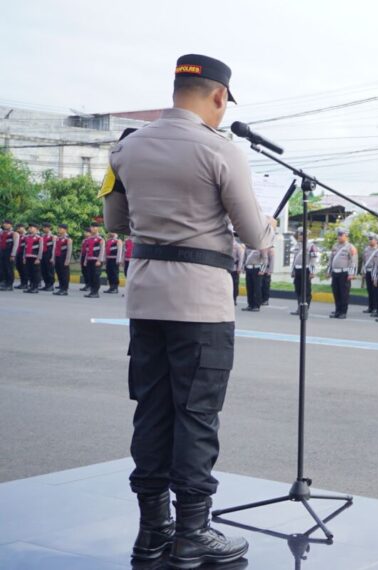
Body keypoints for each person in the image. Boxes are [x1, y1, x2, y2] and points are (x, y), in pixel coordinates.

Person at [103, 53, 270, 566]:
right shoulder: (221, 151)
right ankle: (194, 532)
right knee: (196, 415)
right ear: (220, 96)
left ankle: (153, 530)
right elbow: (254, 234)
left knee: (152, 410)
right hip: (200, 302)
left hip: (146, 298)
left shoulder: (126, 149)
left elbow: (114, 222)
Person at [327, 228, 357, 319]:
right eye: (338, 235)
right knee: (336, 293)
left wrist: (351, 274)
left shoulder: (350, 247)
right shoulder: (335, 246)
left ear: (346, 236)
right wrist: (329, 271)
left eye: (341, 235)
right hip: (335, 272)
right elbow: (331, 260)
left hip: (344, 273)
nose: (339, 237)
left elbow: (354, 261)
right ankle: (337, 311)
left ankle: (343, 312)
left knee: (344, 293)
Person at [289, 229, 318, 316]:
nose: (299, 236)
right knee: (298, 290)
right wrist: (293, 270)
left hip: (306, 270)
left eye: (301, 234)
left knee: (306, 291)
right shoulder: (297, 246)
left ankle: (305, 309)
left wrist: (312, 272)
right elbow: (295, 259)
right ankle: (299, 307)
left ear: (306, 236)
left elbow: (313, 260)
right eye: (299, 234)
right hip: (297, 270)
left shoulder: (311, 246)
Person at [240, 241, 268, 312]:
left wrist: (262, 270)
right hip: (248, 268)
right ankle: (250, 304)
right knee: (249, 287)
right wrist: (243, 267)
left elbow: (265, 259)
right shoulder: (248, 246)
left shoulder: (261, 246)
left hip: (256, 269)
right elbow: (244, 257)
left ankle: (256, 305)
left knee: (257, 288)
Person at [361, 234, 378, 316]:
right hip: (368, 271)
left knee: (375, 291)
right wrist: (363, 271)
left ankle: (376, 307)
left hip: (375, 272)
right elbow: (364, 261)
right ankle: (370, 307)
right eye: (369, 239)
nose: (370, 241)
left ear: (376, 240)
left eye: (371, 239)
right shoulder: (366, 249)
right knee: (369, 290)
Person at [20, 223, 44, 294]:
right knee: (29, 272)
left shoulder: (39, 238)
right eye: (30, 228)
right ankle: (31, 287)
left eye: (32, 228)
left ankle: (35, 287)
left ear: (36, 229)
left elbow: (41, 249)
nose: (30, 229)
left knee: (35, 273)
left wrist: (38, 258)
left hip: (35, 257)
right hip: (28, 257)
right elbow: (25, 248)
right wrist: (24, 257)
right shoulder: (27, 237)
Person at [83, 226, 106, 298]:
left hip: (96, 260)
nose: (92, 229)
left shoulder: (100, 239)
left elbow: (102, 251)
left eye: (94, 227)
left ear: (98, 228)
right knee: (90, 276)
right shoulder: (88, 239)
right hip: (89, 260)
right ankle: (92, 291)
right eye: (91, 227)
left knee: (96, 276)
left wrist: (99, 260)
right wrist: (85, 261)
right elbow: (87, 251)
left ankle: (96, 292)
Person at [51, 224, 73, 296]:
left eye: (61, 228)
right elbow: (54, 249)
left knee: (64, 274)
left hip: (63, 259)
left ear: (65, 230)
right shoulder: (57, 238)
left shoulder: (68, 239)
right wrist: (53, 258)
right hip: (57, 258)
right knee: (59, 273)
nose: (59, 230)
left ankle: (64, 289)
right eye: (59, 228)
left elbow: (69, 251)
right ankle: (61, 288)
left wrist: (67, 261)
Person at [39, 222, 55, 291]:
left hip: (49, 255)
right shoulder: (42, 236)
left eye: (46, 227)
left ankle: (51, 285)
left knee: (49, 271)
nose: (44, 229)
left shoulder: (53, 237)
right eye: (44, 227)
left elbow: (54, 247)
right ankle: (46, 284)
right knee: (43, 270)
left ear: (49, 228)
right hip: (43, 255)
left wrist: (53, 257)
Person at [229, 232, 244, 306]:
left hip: (235, 268)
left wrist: (239, 268)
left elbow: (241, 258)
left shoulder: (238, 246)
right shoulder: (226, 245)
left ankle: (234, 299)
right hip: (227, 268)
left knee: (235, 284)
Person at [0, 220, 15, 290]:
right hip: (2, 252)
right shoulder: (1, 233)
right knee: (3, 268)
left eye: (7, 224)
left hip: (9, 252)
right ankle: (4, 282)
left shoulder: (13, 233)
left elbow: (15, 245)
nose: (5, 225)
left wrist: (13, 254)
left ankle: (10, 284)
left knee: (9, 268)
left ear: (11, 225)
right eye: (4, 224)